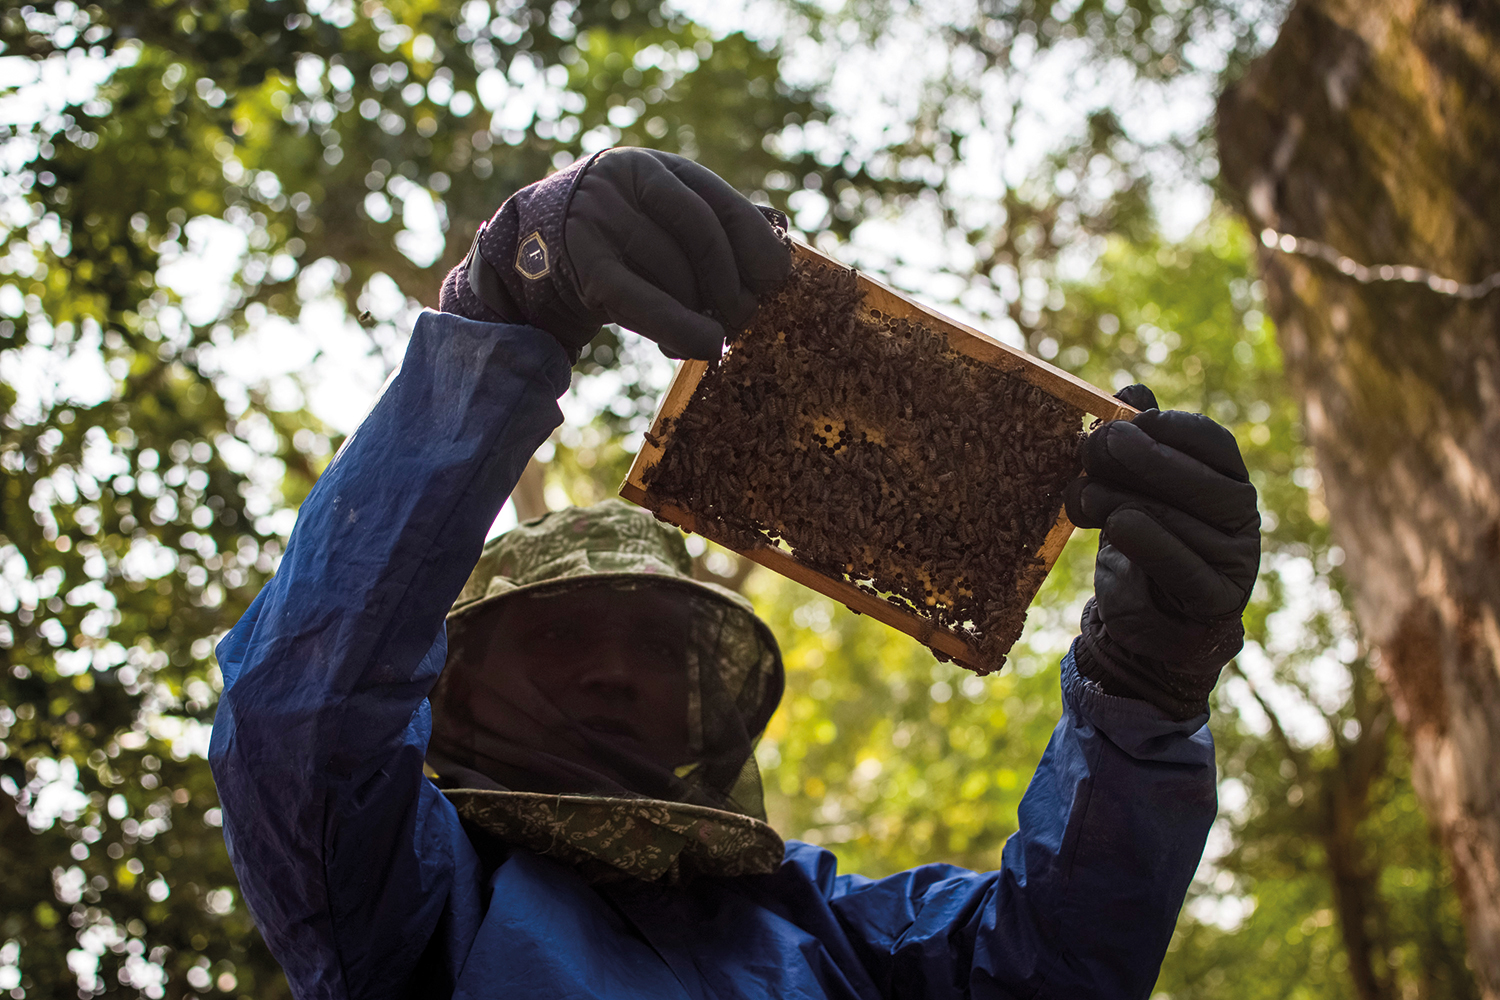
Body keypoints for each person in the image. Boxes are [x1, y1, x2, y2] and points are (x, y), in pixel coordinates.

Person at [209, 147, 1261, 1000]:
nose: (616, 672)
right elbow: (300, 726)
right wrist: (503, 310)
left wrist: (1145, 689)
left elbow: (1053, 969)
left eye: (658, 644)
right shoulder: (417, 895)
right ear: (462, 684)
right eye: (563, 636)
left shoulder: (833, 927)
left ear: (706, 692)